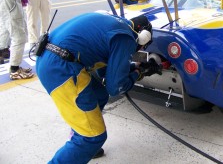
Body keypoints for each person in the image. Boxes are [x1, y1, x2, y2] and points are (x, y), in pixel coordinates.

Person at [35, 12, 162, 163]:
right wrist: (138, 73)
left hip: (48, 59)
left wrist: (134, 67)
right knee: (92, 137)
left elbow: (105, 71)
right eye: (140, 48)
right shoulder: (126, 38)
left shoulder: (117, 25)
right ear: (143, 38)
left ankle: (83, 142)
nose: (137, 50)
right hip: (62, 71)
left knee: (99, 94)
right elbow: (115, 87)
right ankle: (84, 141)